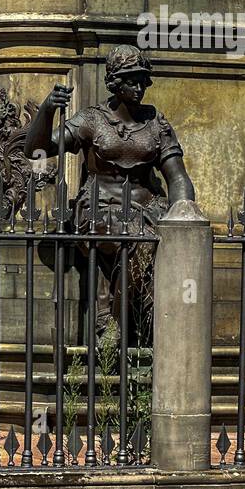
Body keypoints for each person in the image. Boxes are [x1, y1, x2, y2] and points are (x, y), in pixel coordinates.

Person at [23, 45, 194, 337]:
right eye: (131, 79)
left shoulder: (156, 123)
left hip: (148, 210)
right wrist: (47, 109)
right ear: (115, 82)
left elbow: (177, 177)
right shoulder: (92, 119)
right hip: (98, 209)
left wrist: (184, 211)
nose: (139, 86)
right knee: (134, 239)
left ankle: (114, 323)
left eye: (142, 79)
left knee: (143, 237)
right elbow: (36, 149)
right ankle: (118, 324)